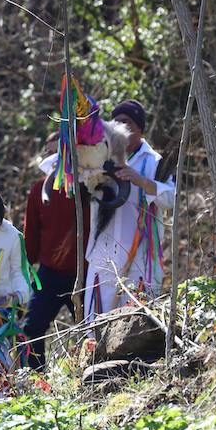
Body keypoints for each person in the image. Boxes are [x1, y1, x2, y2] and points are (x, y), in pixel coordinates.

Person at [81, 99, 175, 318]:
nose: (120, 128)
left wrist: (141, 180)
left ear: (140, 128)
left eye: (127, 122)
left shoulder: (155, 162)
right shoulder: (98, 158)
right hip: (103, 253)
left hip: (140, 257)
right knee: (97, 322)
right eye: (116, 123)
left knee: (136, 323)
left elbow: (172, 199)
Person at [21, 135, 89, 370]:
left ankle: (87, 377)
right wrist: (24, 269)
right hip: (48, 274)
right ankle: (37, 379)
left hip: (83, 275)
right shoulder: (40, 190)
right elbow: (31, 235)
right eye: (50, 153)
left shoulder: (90, 188)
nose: (55, 160)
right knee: (31, 328)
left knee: (89, 330)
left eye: (59, 153)